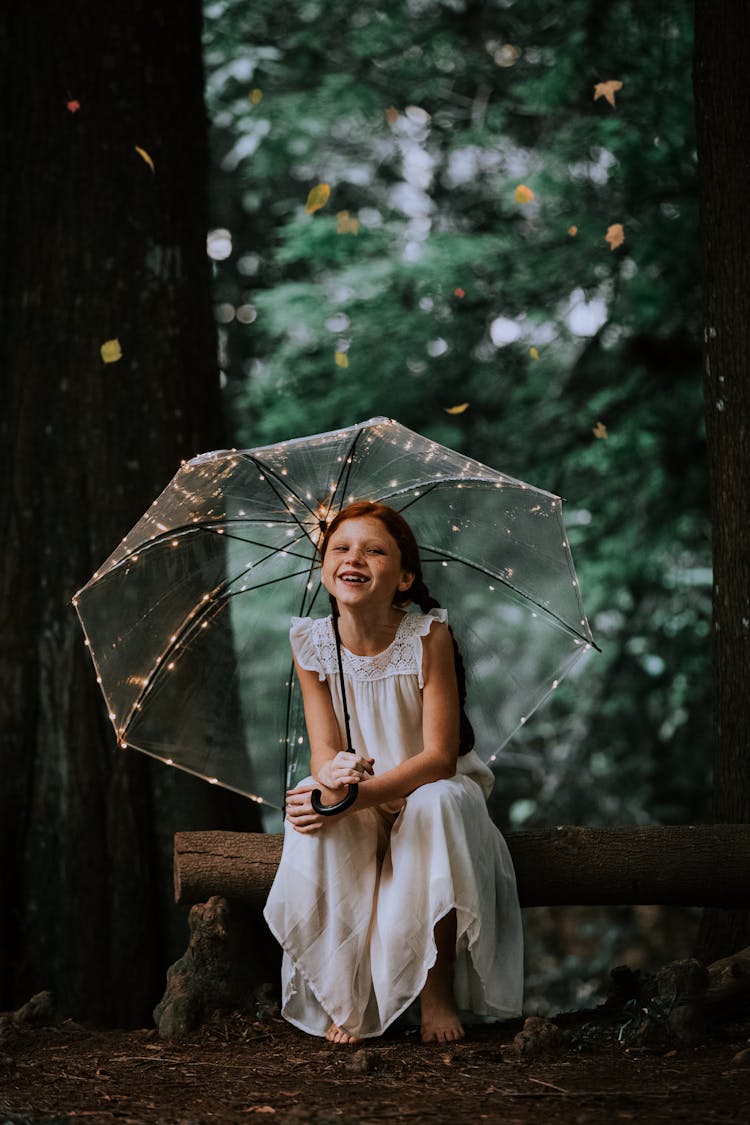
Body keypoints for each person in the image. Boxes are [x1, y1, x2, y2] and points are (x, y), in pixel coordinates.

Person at [263, 501, 523, 1044]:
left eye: (373, 550)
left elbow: (438, 757)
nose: (353, 558)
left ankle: (436, 992)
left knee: (436, 805)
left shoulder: (428, 636)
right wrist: (335, 780)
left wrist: (359, 797)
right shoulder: (310, 643)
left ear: (403, 577)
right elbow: (323, 750)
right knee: (315, 805)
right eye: (340, 548)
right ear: (323, 568)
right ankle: (345, 997)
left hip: (428, 786)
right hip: (366, 790)